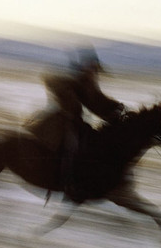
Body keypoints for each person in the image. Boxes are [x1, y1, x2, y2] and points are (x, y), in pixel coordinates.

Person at [24, 47, 126, 199]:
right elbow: (93, 101)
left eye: (95, 68)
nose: (95, 72)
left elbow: (95, 101)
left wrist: (116, 107)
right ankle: (67, 182)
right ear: (87, 66)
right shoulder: (78, 79)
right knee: (72, 145)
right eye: (93, 67)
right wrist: (115, 108)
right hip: (61, 119)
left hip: (68, 117)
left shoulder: (83, 79)